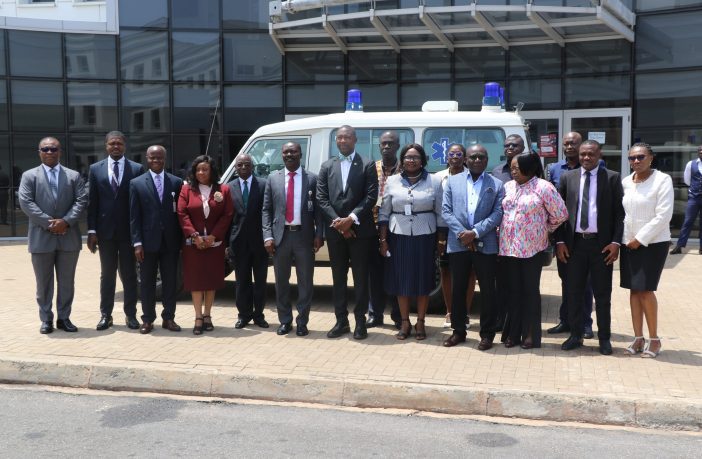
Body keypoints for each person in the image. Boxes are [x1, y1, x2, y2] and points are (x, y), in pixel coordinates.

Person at [555, 140, 624, 355]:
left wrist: (615, 242)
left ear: (599, 155)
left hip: (601, 246)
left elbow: (619, 215)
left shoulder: (611, 178)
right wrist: (559, 242)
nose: (586, 158)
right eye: (583, 154)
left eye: (590, 154)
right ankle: (575, 335)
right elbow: (558, 214)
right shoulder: (568, 178)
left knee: (603, 295)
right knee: (573, 292)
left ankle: (604, 338)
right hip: (574, 246)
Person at [18, 137, 88, 334]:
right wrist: (51, 224)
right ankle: (46, 319)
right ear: (39, 152)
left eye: (53, 149)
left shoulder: (73, 176)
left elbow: (81, 201)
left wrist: (65, 222)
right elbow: (26, 203)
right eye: (45, 149)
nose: (49, 152)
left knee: (67, 282)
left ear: (60, 152)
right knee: (43, 283)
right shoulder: (29, 176)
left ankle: (64, 318)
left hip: (68, 237)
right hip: (41, 237)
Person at [500, 152, 568, 349]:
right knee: (513, 292)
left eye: (516, 168)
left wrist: (543, 229)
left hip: (532, 249)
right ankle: (512, 334)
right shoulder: (508, 187)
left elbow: (561, 214)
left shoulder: (543, 187)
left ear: (529, 168)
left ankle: (530, 334)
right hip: (508, 248)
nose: (513, 171)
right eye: (511, 168)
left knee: (529, 291)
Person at [378, 143, 446, 340]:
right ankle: (405, 322)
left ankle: (421, 322)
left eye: (416, 157)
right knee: (402, 280)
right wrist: (383, 239)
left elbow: (440, 213)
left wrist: (441, 241)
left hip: (425, 236)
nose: (411, 160)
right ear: (402, 160)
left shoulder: (434, 181)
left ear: (422, 160)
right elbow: (384, 211)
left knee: (423, 279)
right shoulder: (392, 181)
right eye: (408, 157)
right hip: (398, 236)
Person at [316, 125, 378, 340]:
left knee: (360, 278)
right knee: (338, 278)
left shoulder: (368, 164)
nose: (342, 141)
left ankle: (360, 322)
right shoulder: (326, 166)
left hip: (361, 232)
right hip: (335, 233)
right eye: (339, 138)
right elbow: (321, 199)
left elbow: (371, 197)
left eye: (346, 137)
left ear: (355, 140)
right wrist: (338, 223)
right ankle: (341, 321)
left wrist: (350, 220)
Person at [441, 144, 504, 349]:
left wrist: (474, 233)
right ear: (466, 160)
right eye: (473, 157)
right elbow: (446, 211)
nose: (477, 160)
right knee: (458, 289)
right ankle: (458, 331)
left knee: (487, 290)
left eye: (481, 157)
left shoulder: (496, 184)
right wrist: (463, 235)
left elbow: (497, 214)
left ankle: (487, 334)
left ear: (487, 160)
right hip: (458, 243)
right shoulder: (452, 181)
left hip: (485, 244)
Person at [262, 142, 324, 336]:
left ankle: (302, 322)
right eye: (286, 152)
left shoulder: (312, 179)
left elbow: (319, 211)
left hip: (304, 236)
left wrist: (319, 234)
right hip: (281, 237)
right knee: (281, 282)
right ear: (282, 155)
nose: (290, 154)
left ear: (300, 154)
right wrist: (267, 235)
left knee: (305, 282)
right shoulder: (273, 178)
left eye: (293, 151)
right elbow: (266, 210)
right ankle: (285, 321)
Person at [87, 131, 145, 331]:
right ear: (106, 146)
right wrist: (92, 231)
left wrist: (139, 235)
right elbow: (92, 202)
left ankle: (131, 315)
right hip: (105, 233)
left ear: (125, 146)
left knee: (129, 275)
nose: (116, 146)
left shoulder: (137, 169)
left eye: (119, 143)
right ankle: (106, 315)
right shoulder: (95, 169)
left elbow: (139, 204)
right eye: (112, 143)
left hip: (129, 232)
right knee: (107, 274)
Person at [620, 143, 674, 358]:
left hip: (653, 244)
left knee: (645, 290)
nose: (636, 161)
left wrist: (640, 239)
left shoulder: (662, 180)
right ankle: (638, 338)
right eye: (632, 158)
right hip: (628, 243)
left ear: (651, 158)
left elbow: (663, 216)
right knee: (634, 291)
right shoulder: (626, 182)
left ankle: (654, 339)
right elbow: (624, 215)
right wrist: (625, 240)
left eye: (640, 157)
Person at [546, 132, 596, 339]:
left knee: (586, 282)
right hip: (565, 236)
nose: (568, 147)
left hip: (587, 237)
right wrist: (556, 238)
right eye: (566, 143)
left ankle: (585, 323)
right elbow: (550, 206)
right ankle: (566, 320)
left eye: (573, 143)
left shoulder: (595, 169)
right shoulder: (554, 170)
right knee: (566, 281)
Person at [129, 145, 184, 334]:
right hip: (146, 242)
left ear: (165, 159)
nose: (156, 161)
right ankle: (147, 320)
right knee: (146, 283)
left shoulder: (177, 182)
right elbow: (134, 217)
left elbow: (180, 215)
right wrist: (137, 243)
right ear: (147, 158)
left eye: (160, 157)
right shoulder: (136, 183)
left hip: (170, 242)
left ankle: (169, 318)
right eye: (153, 157)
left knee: (170, 282)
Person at [177, 155, 234, 335]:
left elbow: (227, 215)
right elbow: (181, 213)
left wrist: (213, 236)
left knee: (210, 280)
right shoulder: (186, 190)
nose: (201, 172)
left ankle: (208, 315)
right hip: (192, 245)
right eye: (198, 169)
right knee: (196, 281)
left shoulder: (223, 190)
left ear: (212, 171)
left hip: (214, 244)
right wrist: (194, 235)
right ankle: (198, 316)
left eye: (205, 169)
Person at [227, 154, 269, 330]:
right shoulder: (228, 188)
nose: (243, 167)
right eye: (240, 165)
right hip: (238, 242)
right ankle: (243, 315)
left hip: (259, 242)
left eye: (247, 164)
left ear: (253, 166)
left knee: (260, 281)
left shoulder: (263, 184)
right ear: (235, 168)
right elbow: (227, 218)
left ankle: (258, 315)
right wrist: (226, 244)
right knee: (241, 280)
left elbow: (268, 212)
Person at [435, 143, 474, 329]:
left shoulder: (472, 176)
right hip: (445, 231)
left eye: (459, 154)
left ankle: (465, 313)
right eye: (452, 154)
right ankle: (450, 312)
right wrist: (440, 237)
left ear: (465, 157)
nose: (455, 157)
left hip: (468, 233)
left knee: (469, 274)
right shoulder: (438, 178)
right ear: (446, 157)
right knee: (446, 271)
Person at [367, 131, 402, 330]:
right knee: (375, 273)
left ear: (397, 146)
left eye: (390, 144)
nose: (386, 147)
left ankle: (398, 315)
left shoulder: (404, 168)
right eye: (383, 144)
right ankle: (375, 314)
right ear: (379, 147)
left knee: (396, 273)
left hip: (397, 228)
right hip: (373, 228)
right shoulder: (371, 168)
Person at [491, 134, 525, 330]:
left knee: (521, 283)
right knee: (501, 282)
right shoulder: (497, 171)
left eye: (515, 145)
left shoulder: (531, 170)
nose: (510, 148)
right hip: (501, 236)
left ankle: (518, 321)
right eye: (507, 145)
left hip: (525, 239)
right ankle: (501, 320)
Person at [670, 145, 702, 255]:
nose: (701, 152)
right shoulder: (691, 164)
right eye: (699, 150)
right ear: (697, 152)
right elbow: (687, 180)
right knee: (687, 222)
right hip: (694, 197)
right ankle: (679, 246)